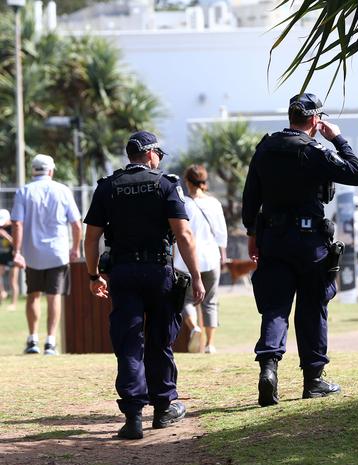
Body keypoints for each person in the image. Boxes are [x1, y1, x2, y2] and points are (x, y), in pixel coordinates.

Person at [242, 93, 358, 407]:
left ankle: (268, 370)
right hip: (309, 244)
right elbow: (356, 173)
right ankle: (313, 380)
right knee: (312, 307)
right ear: (315, 120)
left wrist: (252, 233)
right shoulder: (315, 151)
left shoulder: (265, 148)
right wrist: (338, 138)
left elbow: (250, 196)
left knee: (275, 308)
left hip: (273, 240)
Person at [84, 131, 205, 439]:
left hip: (123, 274)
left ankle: (133, 416)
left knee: (128, 343)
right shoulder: (166, 185)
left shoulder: (107, 188)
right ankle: (164, 409)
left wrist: (93, 275)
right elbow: (184, 235)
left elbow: (92, 238)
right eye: (159, 155)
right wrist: (197, 276)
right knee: (160, 340)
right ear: (151, 155)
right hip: (158, 272)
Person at [11, 154, 82, 355]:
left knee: (33, 295)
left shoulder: (23, 191)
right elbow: (76, 224)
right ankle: (51, 342)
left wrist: (17, 251)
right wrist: (75, 248)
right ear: (51, 170)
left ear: (33, 170)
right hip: (58, 253)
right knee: (54, 296)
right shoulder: (63, 190)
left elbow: (17, 223)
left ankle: (32, 339)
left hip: (31, 253)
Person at [173, 164, 228, 354]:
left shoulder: (183, 204)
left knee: (185, 300)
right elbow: (221, 233)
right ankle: (210, 345)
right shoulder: (214, 204)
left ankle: (194, 328)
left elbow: (177, 234)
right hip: (211, 258)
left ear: (187, 182)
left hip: (185, 261)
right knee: (210, 301)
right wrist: (223, 256)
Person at [0, 209, 19, 310]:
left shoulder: (14, 227)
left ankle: (14, 304)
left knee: (13, 281)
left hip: (12, 256)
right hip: (2, 255)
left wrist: (6, 236)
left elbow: (17, 243)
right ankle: (2, 293)